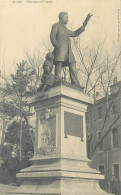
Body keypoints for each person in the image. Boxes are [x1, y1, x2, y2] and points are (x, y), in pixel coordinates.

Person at [50, 12, 93, 88]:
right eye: (66, 17)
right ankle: (57, 80)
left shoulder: (65, 29)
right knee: (59, 64)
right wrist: (56, 46)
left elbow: (75, 33)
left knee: (72, 63)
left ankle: (76, 84)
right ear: (61, 17)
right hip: (60, 49)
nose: (67, 19)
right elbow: (52, 36)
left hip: (68, 52)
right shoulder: (56, 26)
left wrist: (84, 25)